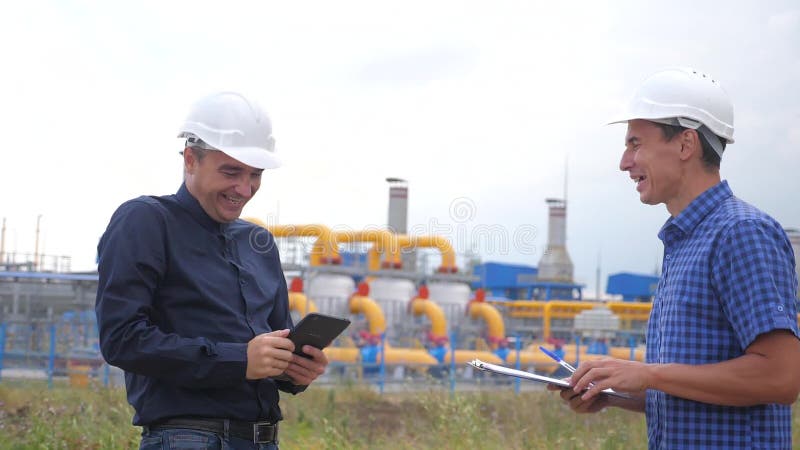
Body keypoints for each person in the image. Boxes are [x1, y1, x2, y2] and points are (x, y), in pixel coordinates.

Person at [549, 68, 800, 449]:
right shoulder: (686, 242)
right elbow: (695, 390)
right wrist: (612, 393)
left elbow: (782, 377)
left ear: (686, 145)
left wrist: (649, 374)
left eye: (635, 144)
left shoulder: (741, 234)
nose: (623, 161)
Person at [95, 92, 329, 450]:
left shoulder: (258, 243)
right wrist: (240, 360)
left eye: (255, 174)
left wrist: (294, 369)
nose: (244, 188)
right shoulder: (146, 221)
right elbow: (122, 338)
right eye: (231, 172)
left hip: (263, 439)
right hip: (187, 437)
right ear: (191, 159)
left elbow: (274, 341)